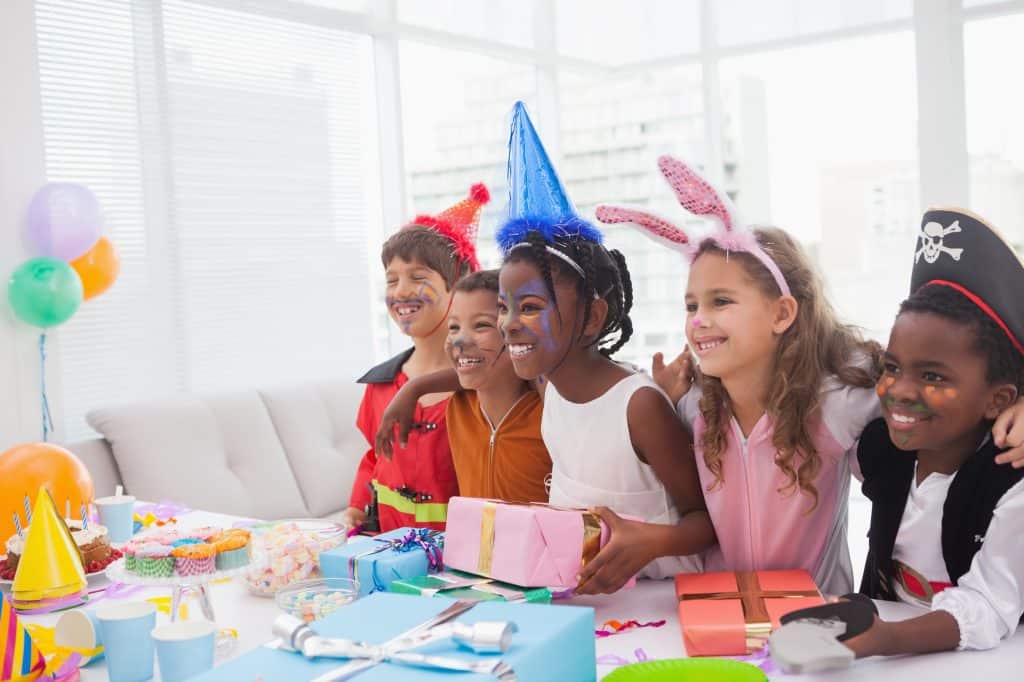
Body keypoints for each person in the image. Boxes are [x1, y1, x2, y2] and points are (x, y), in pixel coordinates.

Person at [342, 184, 489, 532]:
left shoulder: (486, 383)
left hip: (464, 556)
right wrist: (357, 507)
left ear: (459, 285)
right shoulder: (380, 385)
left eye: (417, 277)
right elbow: (375, 459)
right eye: (391, 280)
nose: (400, 291)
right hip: (392, 550)